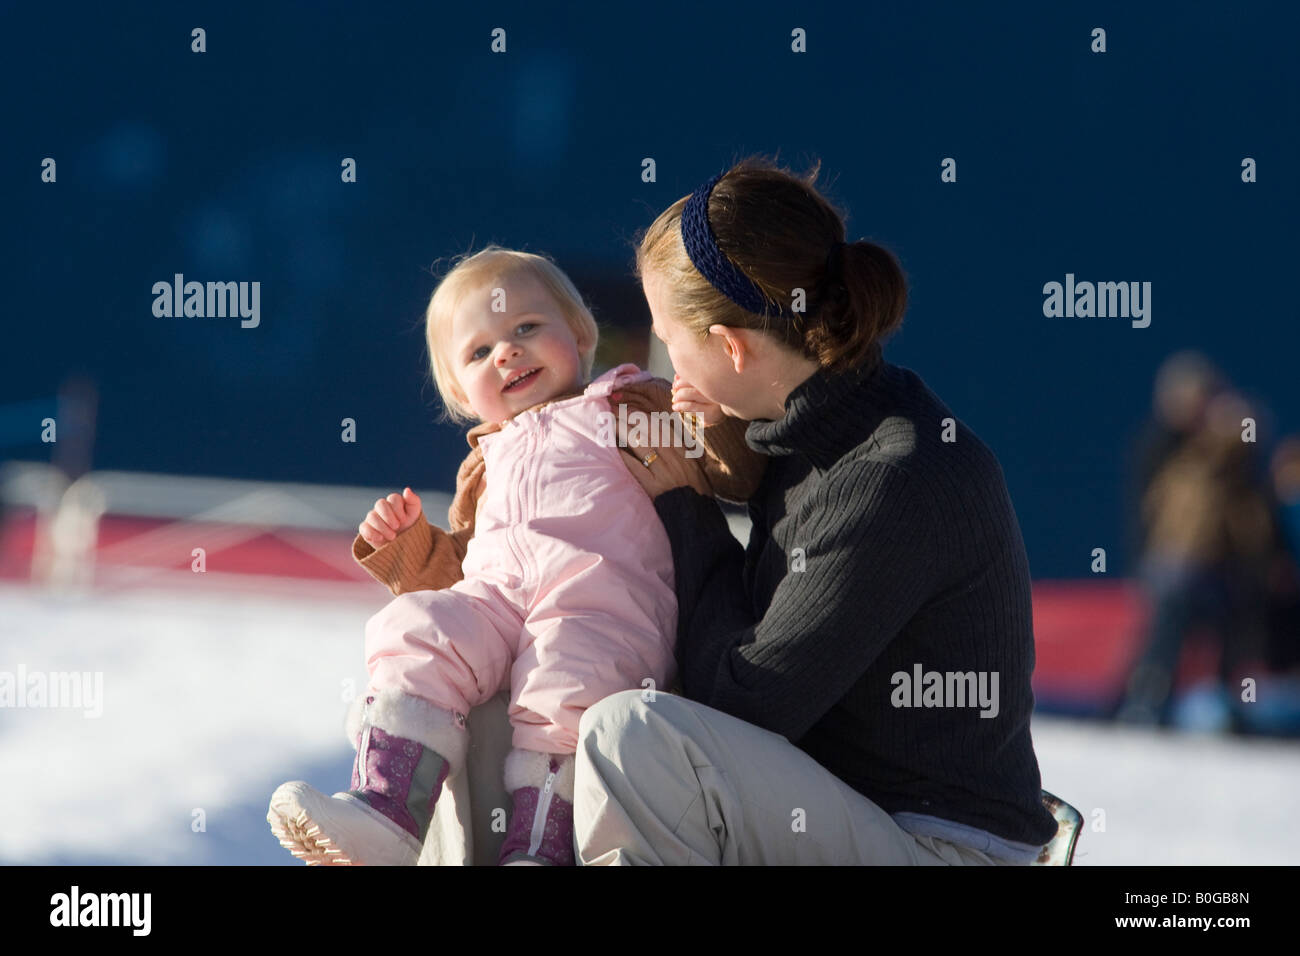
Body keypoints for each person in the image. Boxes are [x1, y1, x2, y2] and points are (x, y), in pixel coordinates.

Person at [569, 157, 1060, 865]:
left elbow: (743, 701)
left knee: (631, 734)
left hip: (939, 846)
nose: (667, 368)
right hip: (858, 810)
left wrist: (686, 503)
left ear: (731, 347)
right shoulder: (834, 418)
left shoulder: (891, 476)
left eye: (669, 342)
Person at [267, 245, 761, 866]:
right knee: (416, 627)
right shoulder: (483, 465)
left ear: (580, 334)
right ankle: (385, 813)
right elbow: (459, 574)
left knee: (567, 678)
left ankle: (539, 849)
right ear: (459, 392)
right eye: (479, 353)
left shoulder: (629, 404)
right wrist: (408, 547)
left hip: (602, 608)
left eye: (527, 328)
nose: (506, 351)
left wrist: (711, 419)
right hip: (499, 605)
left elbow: (735, 475)